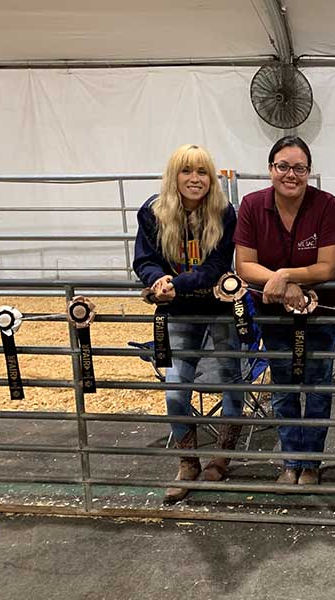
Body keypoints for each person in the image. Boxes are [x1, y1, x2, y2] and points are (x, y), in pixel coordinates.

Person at [133, 143, 244, 504]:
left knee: (231, 380)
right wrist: (156, 281)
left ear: (211, 179)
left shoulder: (225, 214)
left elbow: (216, 267)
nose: (194, 179)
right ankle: (187, 462)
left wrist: (173, 283)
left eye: (202, 172)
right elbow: (144, 258)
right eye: (187, 171)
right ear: (174, 176)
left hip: (220, 308)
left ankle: (222, 457)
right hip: (176, 311)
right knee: (176, 389)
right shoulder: (152, 213)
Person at [234, 136, 335, 486]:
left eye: (299, 168)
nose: (291, 174)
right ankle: (290, 461)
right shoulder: (252, 205)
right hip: (274, 314)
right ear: (270, 169)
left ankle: (311, 463)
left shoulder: (326, 204)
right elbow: (245, 265)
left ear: (309, 172)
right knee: (282, 387)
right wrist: (284, 285)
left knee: (317, 388)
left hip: (322, 312)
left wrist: (284, 275)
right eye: (283, 166)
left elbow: (327, 267)